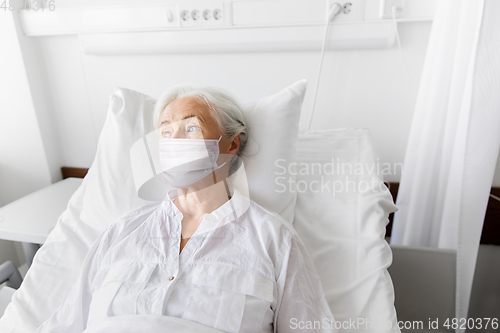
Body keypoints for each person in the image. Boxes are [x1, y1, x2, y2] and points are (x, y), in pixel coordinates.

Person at [35, 84, 337, 333]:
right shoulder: (121, 233)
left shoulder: (273, 240)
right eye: (166, 133)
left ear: (231, 144)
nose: (174, 141)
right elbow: (67, 323)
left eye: (191, 128)